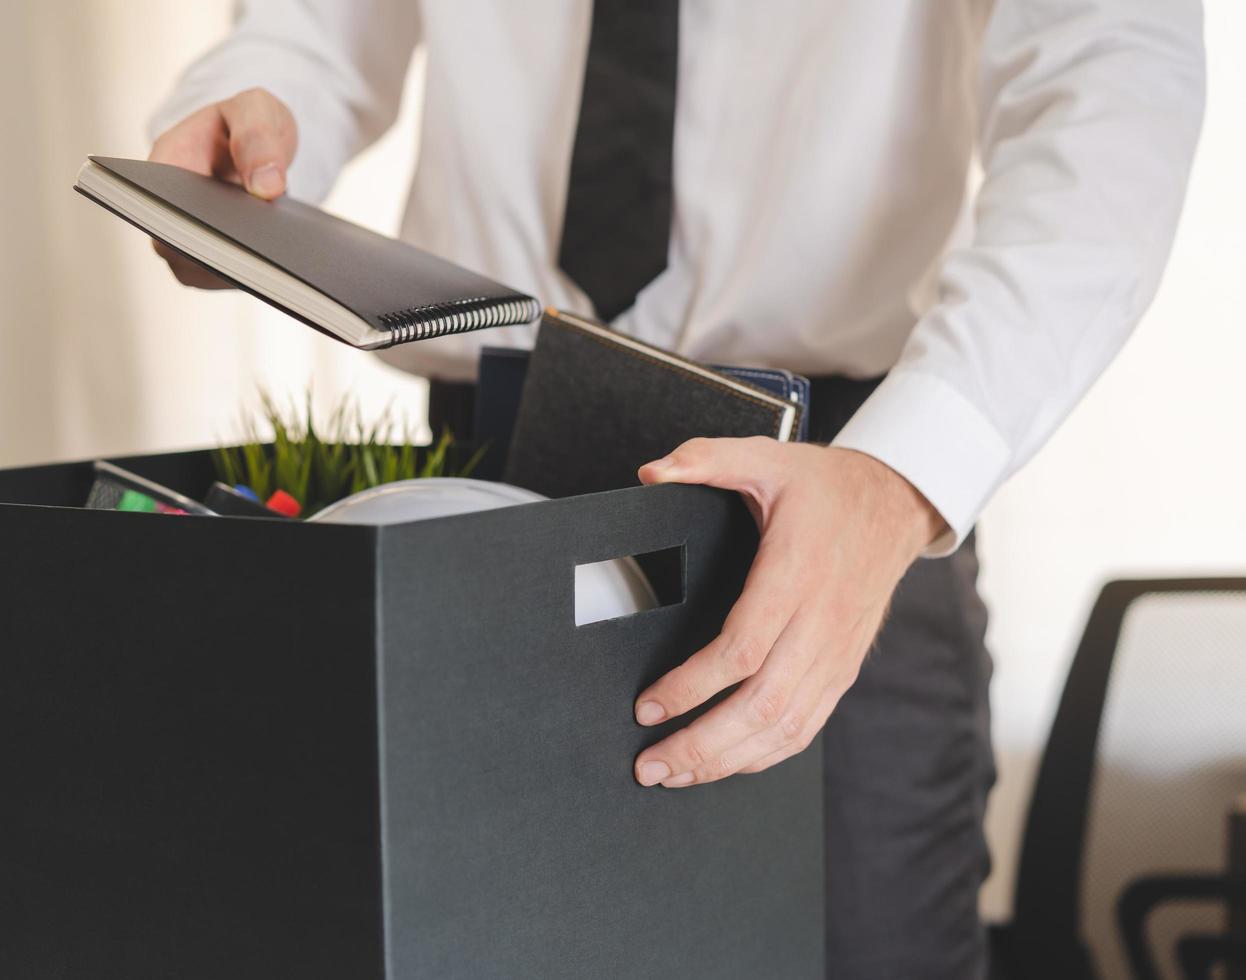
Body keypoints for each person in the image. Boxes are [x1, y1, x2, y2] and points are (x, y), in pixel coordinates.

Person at [146, 2, 1205, 976]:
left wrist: (905, 475)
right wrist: (256, 108)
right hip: (486, 465)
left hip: (838, 487)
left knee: (864, 949)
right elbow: (316, 28)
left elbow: (1109, 72)